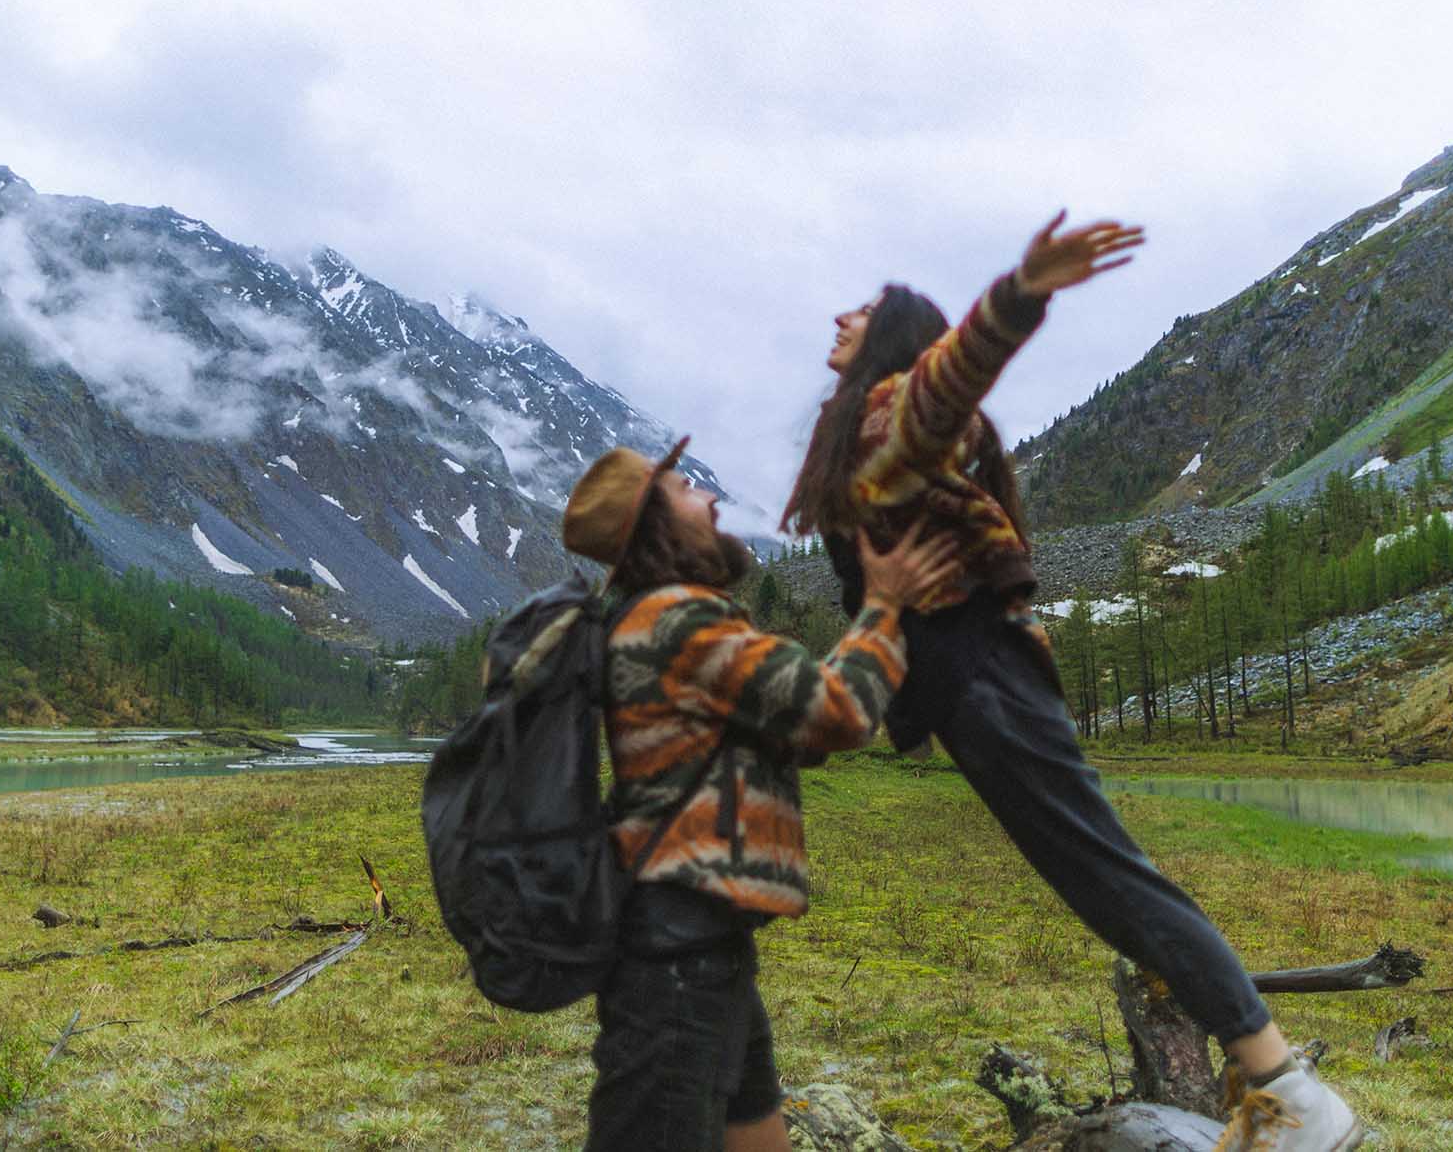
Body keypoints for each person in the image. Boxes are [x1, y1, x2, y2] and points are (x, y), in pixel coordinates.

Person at [781, 212, 1365, 1152]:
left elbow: (948, 378)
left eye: (861, 309)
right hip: (976, 683)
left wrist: (1020, 293)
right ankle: (1276, 1090)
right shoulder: (865, 433)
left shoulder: (894, 407)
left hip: (984, 679)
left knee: (1114, 879)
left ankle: (1289, 1092)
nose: (839, 318)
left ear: (895, 339)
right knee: (1104, 885)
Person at [563, 436, 953, 1152]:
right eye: (686, 490)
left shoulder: (663, 619)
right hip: (677, 956)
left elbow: (794, 728)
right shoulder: (677, 618)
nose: (711, 498)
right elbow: (836, 711)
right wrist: (887, 605)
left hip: (704, 948)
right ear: (654, 524)